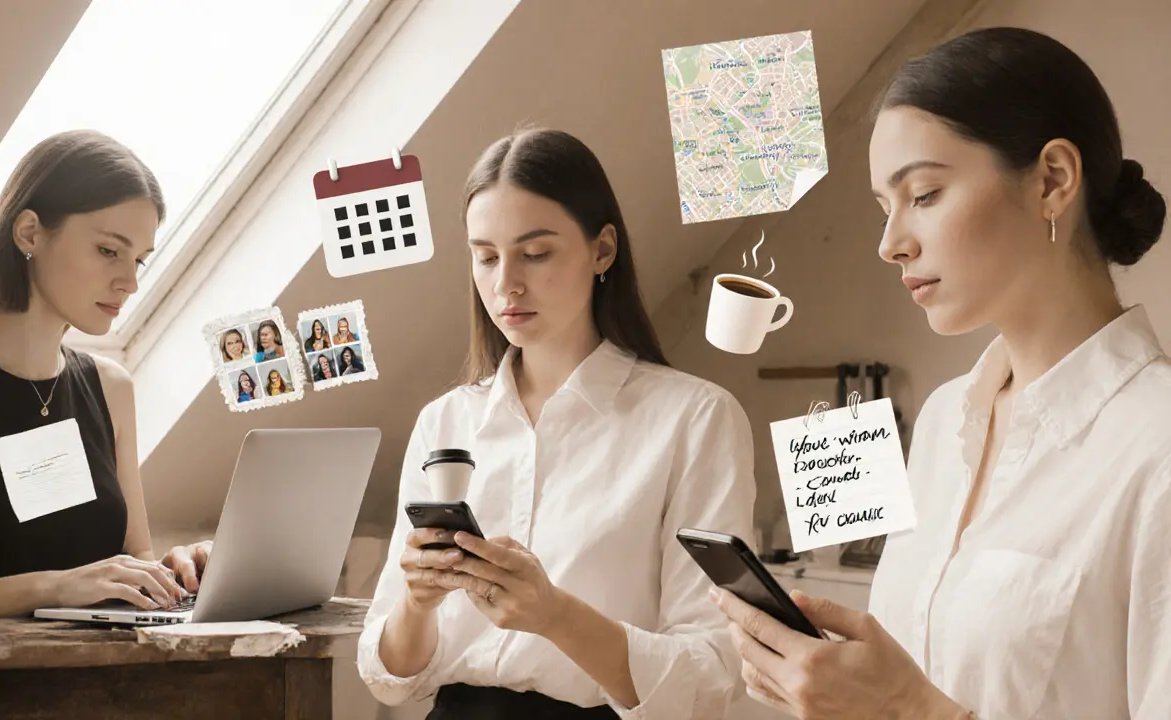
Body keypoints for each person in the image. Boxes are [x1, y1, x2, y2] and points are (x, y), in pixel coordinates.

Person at [713, 27, 1170, 720]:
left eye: (924, 194)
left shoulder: (1155, 448)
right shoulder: (943, 421)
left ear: (1052, 180)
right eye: (884, 208)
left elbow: (914, 703)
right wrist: (832, 690)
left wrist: (906, 707)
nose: (890, 244)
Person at [357, 128, 757, 719]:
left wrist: (555, 616)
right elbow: (389, 680)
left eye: (536, 253)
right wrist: (417, 604)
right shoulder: (444, 422)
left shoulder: (695, 419)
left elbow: (713, 675)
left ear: (603, 250)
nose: (505, 284)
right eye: (486, 257)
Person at [0, 130, 213, 618]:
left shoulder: (111, 386)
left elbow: (132, 561)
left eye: (139, 260)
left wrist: (175, 569)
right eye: (109, 250)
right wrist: (54, 587)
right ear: (29, 233)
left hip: (108, 665)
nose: (130, 281)